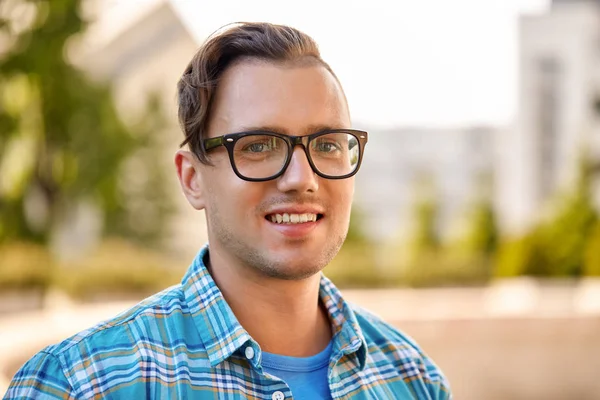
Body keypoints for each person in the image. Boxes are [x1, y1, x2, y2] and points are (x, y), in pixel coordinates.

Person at [5, 22, 451, 399]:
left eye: (328, 144)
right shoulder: (80, 385)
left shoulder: (413, 379)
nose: (301, 177)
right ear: (191, 178)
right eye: (258, 145)